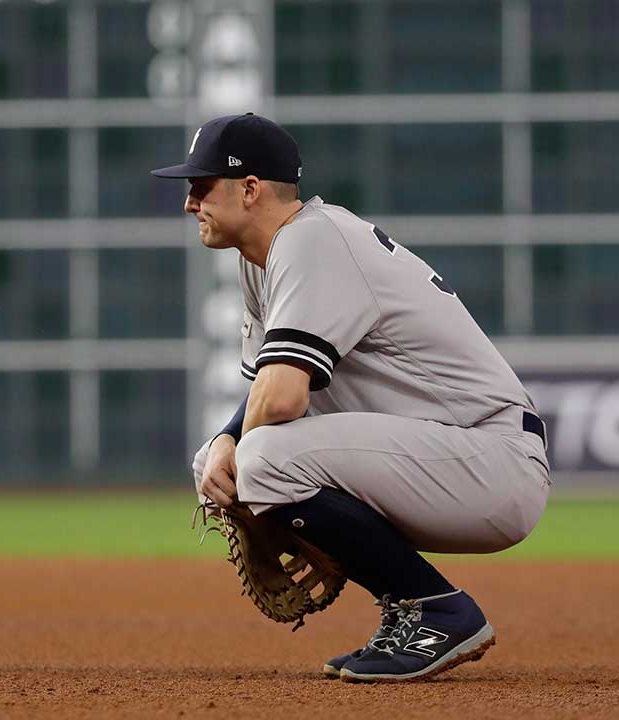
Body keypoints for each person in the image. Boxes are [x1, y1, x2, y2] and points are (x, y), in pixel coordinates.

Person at [152, 113, 551, 683]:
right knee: (227, 456)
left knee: (263, 459)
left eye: (200, 186)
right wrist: (221, 444)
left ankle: (437, 607)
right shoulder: (262, 258)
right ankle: (409, 612)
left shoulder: (312, 240)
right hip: (441, 455)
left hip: (491, 459)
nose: (190, 203)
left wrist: (241, 459)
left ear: (249, 188)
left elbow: (284, 399)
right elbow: (269, 388)